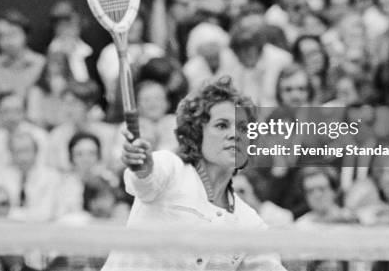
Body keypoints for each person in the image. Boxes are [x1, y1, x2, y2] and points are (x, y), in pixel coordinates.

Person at [102, 77, 286, 271]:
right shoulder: (171, 167)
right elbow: (146, 179)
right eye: (222, 125)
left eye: (243, 128)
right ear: (196, 133)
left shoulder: (250, 222)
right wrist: (142, 166)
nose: (235, 135)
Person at [0, 9, 46, 131]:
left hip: (35, 130)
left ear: (26, 35)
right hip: (2, 130)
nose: (7, 41)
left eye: (13, 34)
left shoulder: (41, 63)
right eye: (2, 36)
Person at [0, 131, 61, 221]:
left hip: (42, 229)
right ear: (11, 154)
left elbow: (46, 213)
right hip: (8, 229)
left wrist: (10, 214)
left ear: (36, 151)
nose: (23, 157)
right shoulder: (1, 177)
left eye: (26, 150)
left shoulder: (51, 177)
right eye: (18, 151)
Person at [0, 91, 49, 173]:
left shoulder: (40, 136)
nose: (12, 116)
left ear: (25, 112)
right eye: (6, 111)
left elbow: (45, 168)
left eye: (17, 110)